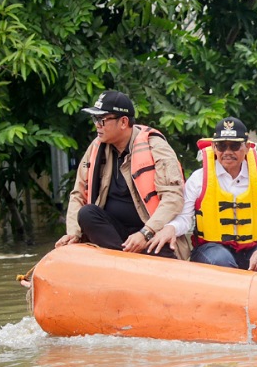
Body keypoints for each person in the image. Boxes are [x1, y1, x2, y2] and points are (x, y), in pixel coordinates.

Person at [148, 117, 257, 272]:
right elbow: (184, 218)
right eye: (221, 146)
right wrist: (171, 228)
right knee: (221, 260)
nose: (227, 152)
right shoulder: (199, 178)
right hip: (211, 248)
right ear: (213, 147)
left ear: (246, 147)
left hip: (255, 246)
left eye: (234, 146)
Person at [54, 90, 189, 259]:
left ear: (123, 122)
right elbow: (78, 194)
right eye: (95, 119)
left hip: (151, 234)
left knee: (160, 246)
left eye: (101, 120)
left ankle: (123, 261)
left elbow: (173, 198)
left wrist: (145, 233)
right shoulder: (96, 148)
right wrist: (73, 233)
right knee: (87, 213)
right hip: (113, 235)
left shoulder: (156, 147)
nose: (97, 125)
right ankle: (122, 260)